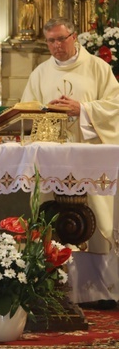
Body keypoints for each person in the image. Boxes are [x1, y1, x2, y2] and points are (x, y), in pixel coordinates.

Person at [22, 16, 119, 308]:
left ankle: (99, 292)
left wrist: (83, 110)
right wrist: (46, 113)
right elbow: (27, 114)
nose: (55, 46)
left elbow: (115, 105)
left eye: (60, 40)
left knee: (95, 220)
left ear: (74, 37)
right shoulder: (39, 73)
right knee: (54, 220)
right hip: (55, 161)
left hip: (90, 158)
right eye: (50, 41)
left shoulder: (98, 68)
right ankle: (58, 288)